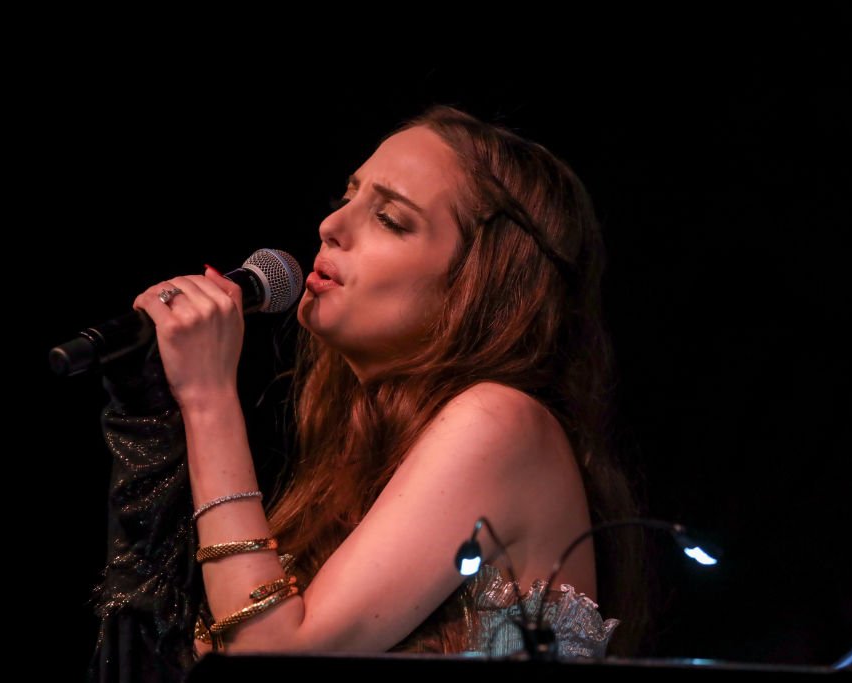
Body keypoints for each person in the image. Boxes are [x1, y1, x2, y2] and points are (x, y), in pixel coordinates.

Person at [87, 104, 645, 682]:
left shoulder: (502, 421)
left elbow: (273, 661)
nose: (332, 226)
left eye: (390, 219)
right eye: (347, 197)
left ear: (479, 284)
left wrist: (207, 397)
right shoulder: (358, 462)